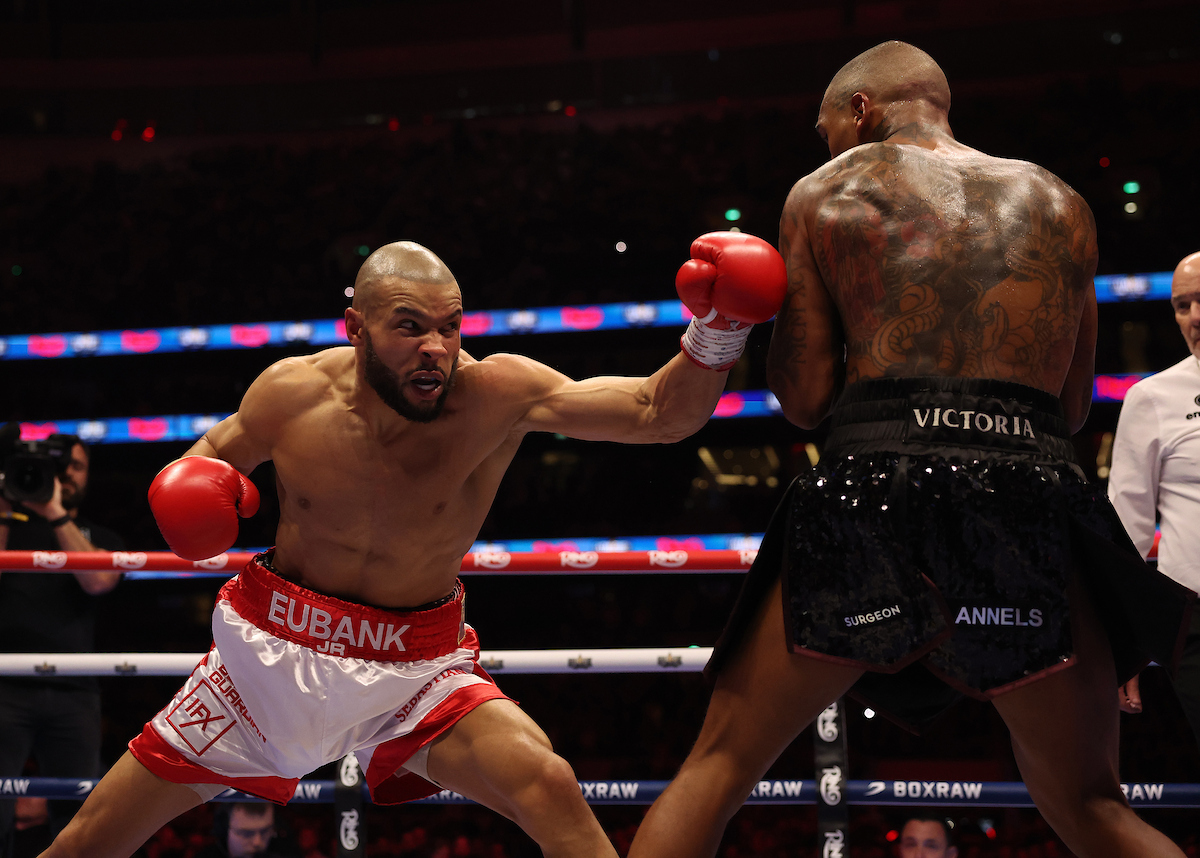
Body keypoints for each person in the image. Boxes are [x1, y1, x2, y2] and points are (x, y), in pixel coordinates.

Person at [35, 234, 786, 858]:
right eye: (410, 327)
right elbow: (205, 461)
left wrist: (720, 328)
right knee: (88, 843)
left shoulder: (497, 394)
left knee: (546, 783)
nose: (437, 349)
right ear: (354, 328)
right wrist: (188, 489)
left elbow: (659, 413)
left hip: (416, 670)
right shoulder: (291, 393)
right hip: (266, 657)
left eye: (451, 327)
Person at [627, 41, 1192, 858]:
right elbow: (1071, 408)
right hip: (1030, 485)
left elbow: (806, 399)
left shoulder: (825, 192)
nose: (825, 147)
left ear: (861, 110)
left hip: (875, 484)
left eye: (826, 129)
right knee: (1092, 807)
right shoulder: (1061, 202)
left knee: (715, 770)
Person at [0, 436, 124, 855]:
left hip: (75, 693)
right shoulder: (8, 527)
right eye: (60, 464)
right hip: (5, 687)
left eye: (76, 466)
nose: (67, 473)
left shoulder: (98, 535)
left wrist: (53, 512)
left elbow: (99, 581)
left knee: (77, 815)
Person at [1108, 251, 1200, 747]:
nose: (1195, 317)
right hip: (1195, 621)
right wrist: (1126, 643)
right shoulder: (1153, 398)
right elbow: (1126, 531)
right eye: (1182, 305)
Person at [194, 802, 297, 858]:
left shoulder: (287, 853)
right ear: (224, 830)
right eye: (246, 833)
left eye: (265, 831)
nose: (257, 842)